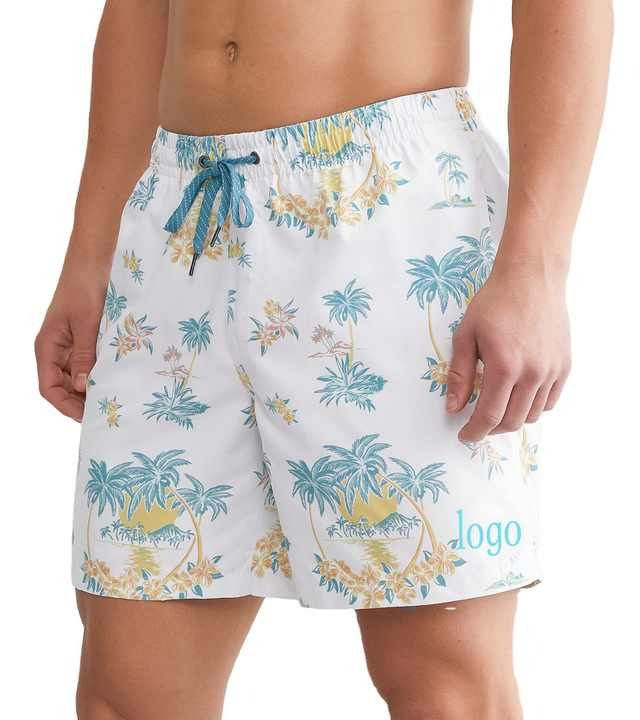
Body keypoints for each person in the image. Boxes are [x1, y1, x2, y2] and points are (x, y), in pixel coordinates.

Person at [35, 2, 612, 718]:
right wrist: (90, 255)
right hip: (182, 219)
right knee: (128, 690)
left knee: (443, 683)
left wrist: (536, 269)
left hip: (384, 209)